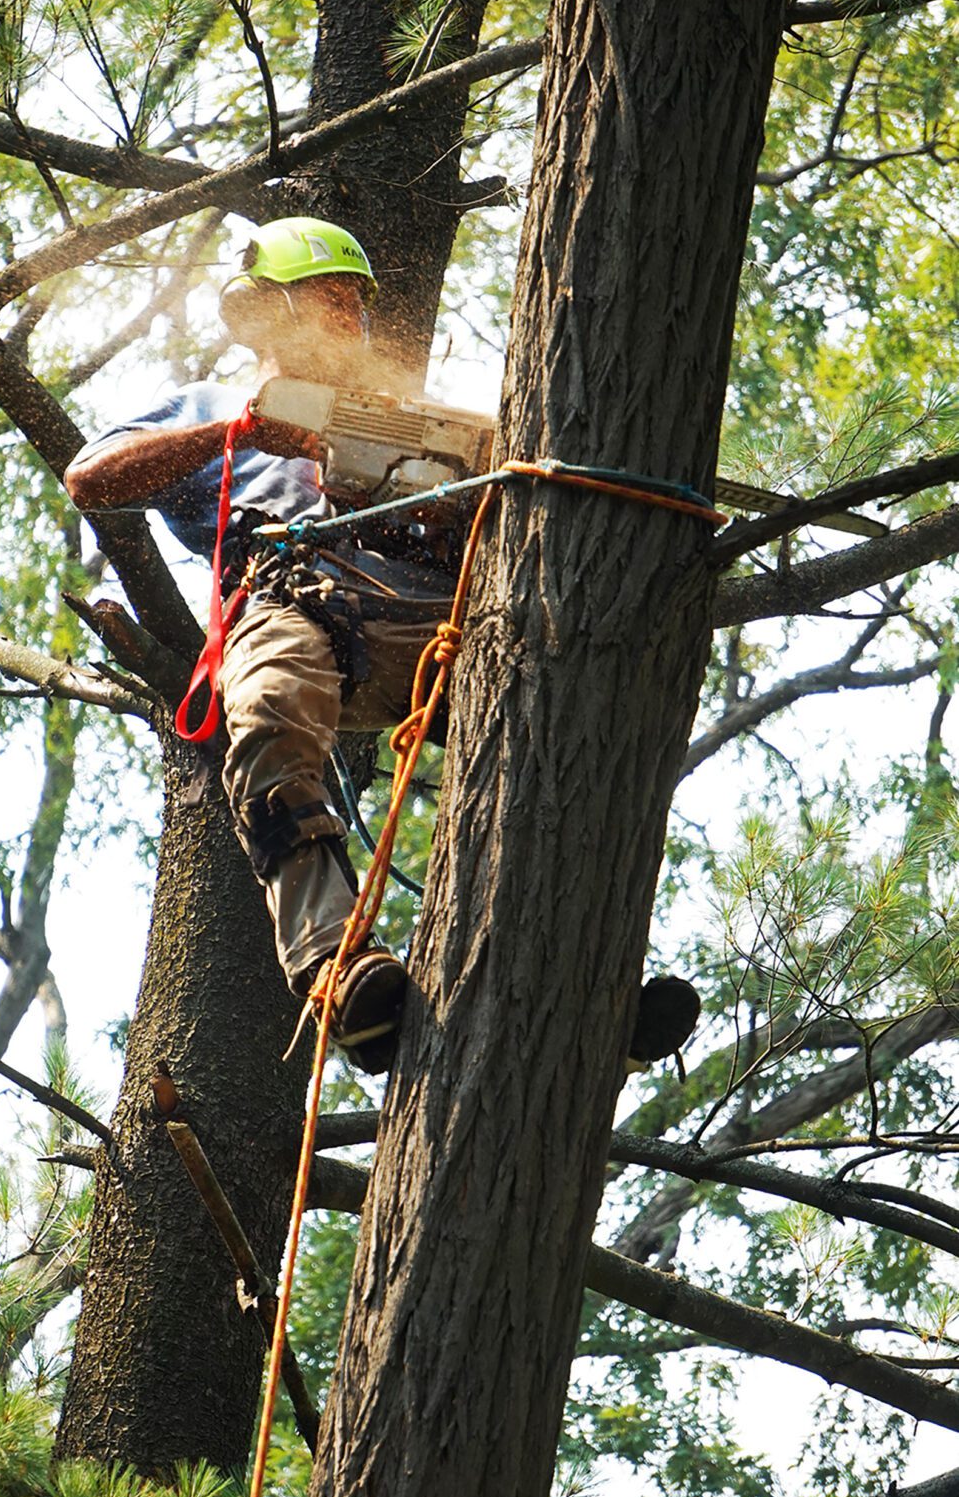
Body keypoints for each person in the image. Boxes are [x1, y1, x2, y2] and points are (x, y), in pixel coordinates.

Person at [65, 216, 700, 1078]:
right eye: (330, 301)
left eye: (356, 305)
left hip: (433, 616)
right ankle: (336, 969)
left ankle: (586, 977)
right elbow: (92, 480)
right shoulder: (211, 408)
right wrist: (246, 434)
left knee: (561, 720)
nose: (350, 321)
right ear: (266, 313)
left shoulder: (407, 418)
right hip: (295, 601)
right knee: (271, 710)